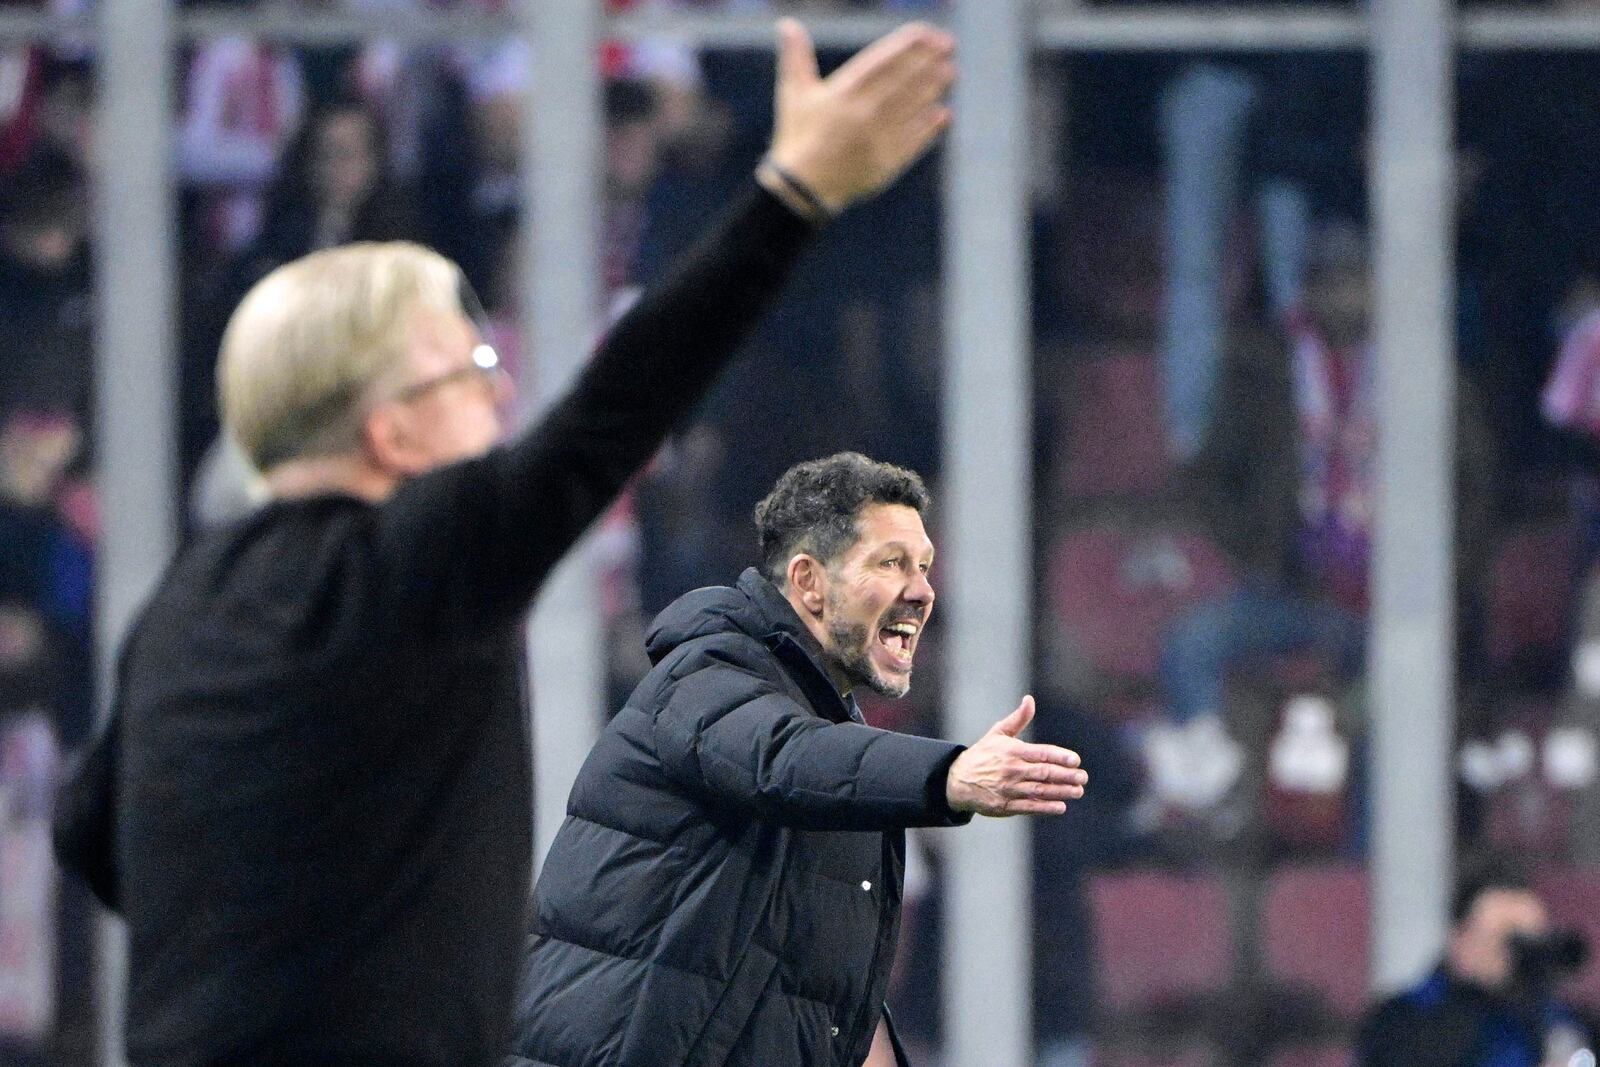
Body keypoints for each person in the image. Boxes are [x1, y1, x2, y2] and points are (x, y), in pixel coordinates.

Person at [51, 20, 956, 1067]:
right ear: (386, 430)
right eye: (471, 365)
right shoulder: (408, 563)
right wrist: (793, 194)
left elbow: (95, 833)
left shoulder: (195, 591)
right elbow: (619, 407)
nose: (502, 391)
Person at [505, 453, 1090, 1067]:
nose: (921, 591)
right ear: (809, 580)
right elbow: (779, 759)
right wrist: (948, 774)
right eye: (891, 564)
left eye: (924, 567)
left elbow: (816, 999)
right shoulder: (708, 673)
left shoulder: (832, 739)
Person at [1357, 860, 1597, 1067]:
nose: (1518, 953)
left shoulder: (1560, 1020)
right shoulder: (1402, 1021)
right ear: (1461, 937)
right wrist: (1480, 992)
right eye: (1506, 936)